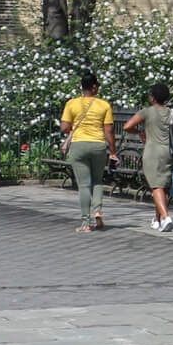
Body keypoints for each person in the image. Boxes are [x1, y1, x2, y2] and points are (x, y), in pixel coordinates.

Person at [57, 72, 117, 233]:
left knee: (84, 185)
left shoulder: (72, 104)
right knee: (97, 181)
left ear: (82, 87)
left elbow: (63, 127)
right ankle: (97, 211)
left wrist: (72, 130)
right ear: (94, 87)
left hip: (78, 145)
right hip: (98, 145)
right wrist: (113, 152)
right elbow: (109, 132)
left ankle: (85, 223)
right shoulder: (104, 105)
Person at [123, 82, 173, 232]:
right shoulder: (171, 113)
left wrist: (139, 133)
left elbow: (127, 126)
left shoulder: (147, 112)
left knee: (156, 186)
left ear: (152, 98)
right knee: (162, 186)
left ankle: (166, 217)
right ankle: (157, 219)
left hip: (152, 152)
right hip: (168, 153)